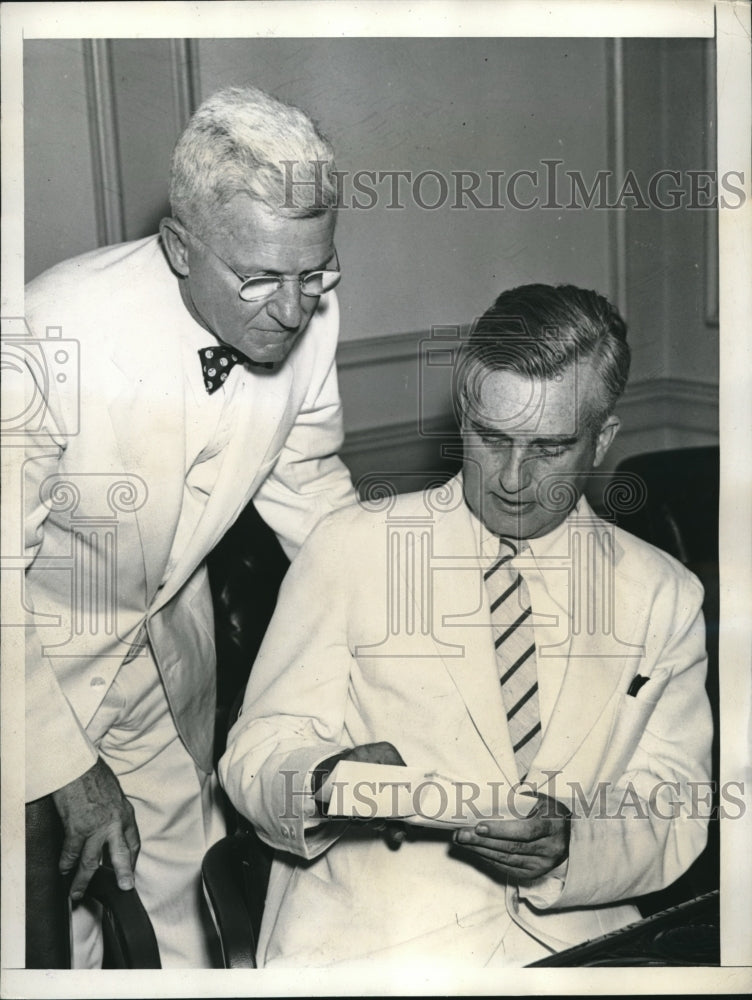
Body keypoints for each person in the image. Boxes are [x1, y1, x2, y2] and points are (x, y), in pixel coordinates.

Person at [219, 283, 713, 968]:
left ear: (601, 441)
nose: (512, 477)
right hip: (375, 948)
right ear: (463, 418)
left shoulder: (663, 595)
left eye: (550, 447)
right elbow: (253, 756)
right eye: (491, 438)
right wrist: (326, 778)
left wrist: (573, 843)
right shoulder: (353, 548)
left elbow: (676, 805)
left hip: (579, 942)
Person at [20, 86, 356, 967]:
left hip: (164, 668)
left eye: (313, 273)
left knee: (185, 917)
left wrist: (414, 622)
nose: (292, 309)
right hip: (20, 672)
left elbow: (312, 489)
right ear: (179, 248)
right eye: (260, 279)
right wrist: (60, 764)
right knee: (34, 941)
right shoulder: (47, 331)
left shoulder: (307, 306)